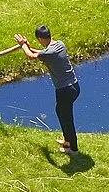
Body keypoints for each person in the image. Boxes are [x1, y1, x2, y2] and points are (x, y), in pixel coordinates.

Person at [16, 24, 81, 154]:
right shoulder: (59, 44)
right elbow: (39, 53)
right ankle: (67, 140)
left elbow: (31, 56)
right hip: (74, 86)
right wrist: (27, 46)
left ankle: (73, 149)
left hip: (65, 90)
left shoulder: (49, 52)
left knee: (66, 117)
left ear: (40, 38)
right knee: (61, 112)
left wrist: (23, 45)